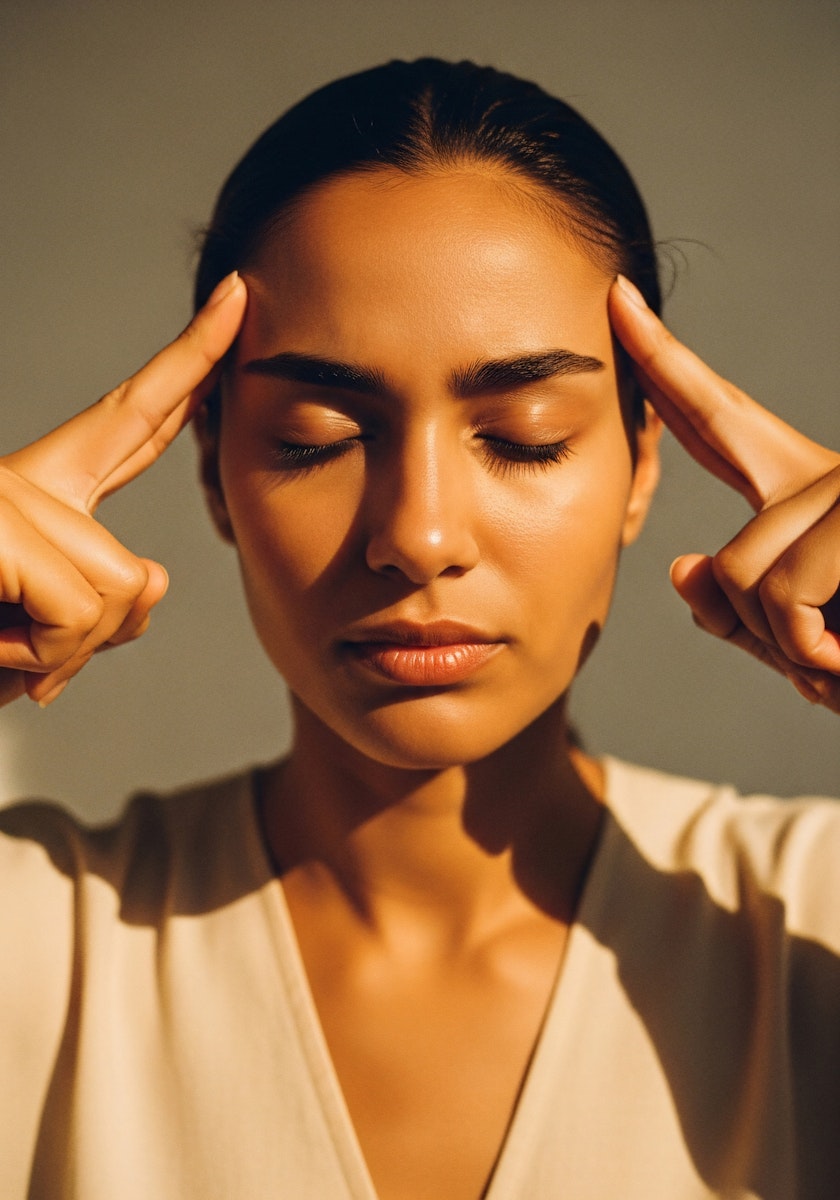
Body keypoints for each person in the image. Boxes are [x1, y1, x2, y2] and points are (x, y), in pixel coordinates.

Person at [0, 58, 837, 1200]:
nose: (419, 533)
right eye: (314, 434)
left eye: (527, 434)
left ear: (644, 469)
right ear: (213, 469)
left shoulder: (808, 921)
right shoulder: (46, 945)